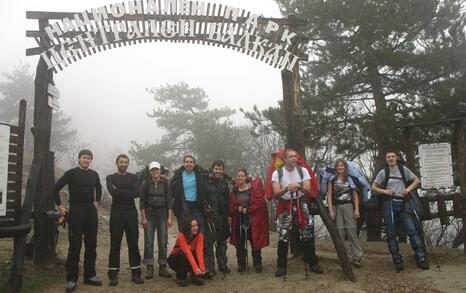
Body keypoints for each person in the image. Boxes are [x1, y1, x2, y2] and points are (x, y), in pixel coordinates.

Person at [53, 149, 102, 292]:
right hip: (75, 210)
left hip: (91, 211)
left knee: (91, 243)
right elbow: (55, 188)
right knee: (75, 245)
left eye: (89, 158)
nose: (86, 160)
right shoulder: (71, 173)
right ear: (79, 159)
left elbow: (99, 188)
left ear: (91, 160)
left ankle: (90, 275)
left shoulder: (94, 174)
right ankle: (71, 279)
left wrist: (97, 202)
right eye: (84, 157)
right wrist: (60, 206)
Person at [372, 151, 429, 271]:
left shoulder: (404, 170)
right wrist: (386, 191)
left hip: (404, 204)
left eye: (392, 156)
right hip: (389, 204)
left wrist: (407, 189)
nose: (391, 158)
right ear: (386, 159)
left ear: (396, 158)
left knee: (412, 230)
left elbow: (416, 180)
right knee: (391, 233)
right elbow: (373, 187)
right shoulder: (383, 172)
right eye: (388, 157)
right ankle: (397, 260)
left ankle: (421, 258)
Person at [271, 148, 323, 277]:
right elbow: (276, 193)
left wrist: (298, 187)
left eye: (295, 156)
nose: (294, 159)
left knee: (307, 234)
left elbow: (308, 189)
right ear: (285, 159)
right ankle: (281, 266)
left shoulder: (302, 170)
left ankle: (313, 263)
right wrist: (287, 188)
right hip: (284, 206)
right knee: (283, 236)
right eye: (291, 157)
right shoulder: (277, 173)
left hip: (301, 204)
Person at [106, 154, 143, 285]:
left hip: (131, 212)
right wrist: (129, 192)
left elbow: (137, 193)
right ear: (117, 163)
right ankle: (113, 274)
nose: (123, 164)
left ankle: (136, 272)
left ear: (128, 164)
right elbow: (112, 192)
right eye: (121, 162)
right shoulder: (110, 177)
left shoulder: (134, 177)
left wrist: (119, 191)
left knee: (133, 242)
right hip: (116, 212)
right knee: (115, 243)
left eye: (126, 162)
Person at [229, 169, 269, 273]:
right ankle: (241, 264)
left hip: (252, 220)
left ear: (246, 177)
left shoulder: (253, 189)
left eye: (242, 176)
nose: (240, 178)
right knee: (240, 243)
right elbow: (230, 205)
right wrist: (237, 209)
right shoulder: (234, 191)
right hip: (238, 220)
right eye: (238, 176)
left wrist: (248, 209)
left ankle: (257, 263)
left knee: (254, 241)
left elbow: (259, 203)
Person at [327, 159, 363, 267]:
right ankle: (342, 257)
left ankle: (357, 257)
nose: (340, 167)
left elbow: (355, 194)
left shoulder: (350, 179)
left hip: (348, 206)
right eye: (338, 166)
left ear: (345, 167)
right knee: (340, 232)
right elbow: (329, 195)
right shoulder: (332, 179)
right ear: (335, 168)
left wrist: (356, 209)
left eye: (342, 165)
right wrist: (330, 210)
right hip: (336, 207)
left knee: (351, 230)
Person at [140, 161, 173, 279]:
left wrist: (170, 217)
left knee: (163, 241)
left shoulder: (165, 184)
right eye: (152, 170)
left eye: (157, 169)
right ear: (150, 172)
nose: (155, 172)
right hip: (149, 214)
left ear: (160, 171)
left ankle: (163, 266)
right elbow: (142, 202)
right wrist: (143, 218)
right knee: (149, 242)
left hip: (162, 214)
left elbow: (169, 201)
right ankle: (149, 267)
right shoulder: (145, 184)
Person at [203, 160, 231, 277]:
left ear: (222, 170)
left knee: (222, 241)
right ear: (212, 169)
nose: (218, 171)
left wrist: (229, 215)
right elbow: (202, 198)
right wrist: (206, 209)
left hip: (222, 216)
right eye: (216, 169)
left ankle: (223, 264)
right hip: (209, 217)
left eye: (220, 169)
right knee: (209, 242)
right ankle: (210, 267)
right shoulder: (205, 182)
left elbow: (228, 200)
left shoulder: (224, 184)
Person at [171, 155, 205, 232]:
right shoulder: (178, 175)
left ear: (194, 164)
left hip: (196, 204)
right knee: (184, 228)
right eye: (187, 162)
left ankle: (197, 243)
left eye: (191, 162)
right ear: (183, 163)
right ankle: (184, 244)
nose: (189, 164)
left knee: (199, 227)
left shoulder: (199, 174)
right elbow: (171, 187)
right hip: (183, 204)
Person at [168, 218, 205, 286]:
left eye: (196, 225)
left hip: (188, 259)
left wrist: (202, 268)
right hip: (175, 260)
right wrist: (196, 268)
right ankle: (181, 277)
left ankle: (195, 276)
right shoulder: (181, 235)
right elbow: (187, 252)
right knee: (183, 255)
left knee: (199, 253)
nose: (196, 228)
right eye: (193, 226)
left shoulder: (200, 236)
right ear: (188, 227)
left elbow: (199, 252)